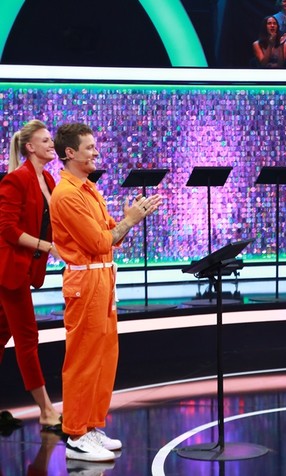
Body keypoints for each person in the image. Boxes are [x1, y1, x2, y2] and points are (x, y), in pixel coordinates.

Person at [50, 123, 162, 462]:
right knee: (83, 360)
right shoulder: (66, 194)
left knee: (104, 357)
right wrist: (130, 220)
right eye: (89, 148)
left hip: (103, 279)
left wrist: (128, 218)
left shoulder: (89, 188)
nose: (96, 152)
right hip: (85, 284)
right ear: (70, 153)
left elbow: (111, 233)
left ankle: (91, 426)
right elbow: (99, 242)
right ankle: (75, 434)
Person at [0, 120, 62, 433]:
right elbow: (7, 230)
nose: (52, 144)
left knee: (1, 335)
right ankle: (47, 411)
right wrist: (47, 247)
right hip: (8, 270)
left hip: (22, 269)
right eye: (46, 140)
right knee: (27, 338)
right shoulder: (17, 179)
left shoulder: (48, 178)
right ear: (30, 147)